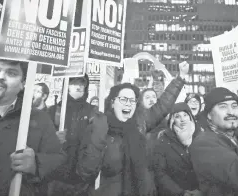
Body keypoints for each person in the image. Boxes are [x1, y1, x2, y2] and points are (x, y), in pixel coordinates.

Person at [76, 61, 189, 196]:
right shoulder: (99, 127)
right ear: (112, 103)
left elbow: (162, 105)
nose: (128, 104)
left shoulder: (139, 123)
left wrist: (180, 78)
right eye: (123, 99)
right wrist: (98, 135)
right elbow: (85, 172)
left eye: (132, 100)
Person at [0, 59, 66, 196]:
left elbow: (59, 163)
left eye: (11, 73)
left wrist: (36, 165)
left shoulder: (39, 119)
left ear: (22, 84)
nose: (0, 76)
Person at [47, 75, 94, 196]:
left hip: (83, 176)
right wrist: (53, 139)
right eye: (74, 83)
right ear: (67, 86)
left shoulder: (93, 111)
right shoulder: (54, 110)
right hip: (56, 174)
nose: (78, 86)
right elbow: (42, 141)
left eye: (82, 83)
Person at [153, 103, 202, 196]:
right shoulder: (163, 140)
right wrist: (180, 193)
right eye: (177, 116)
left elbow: (210, 169)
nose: (182, 119)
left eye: (185, 115)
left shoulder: (202, 136)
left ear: (190, 117)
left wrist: (202, 191)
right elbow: (160, 172)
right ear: (172, 120)